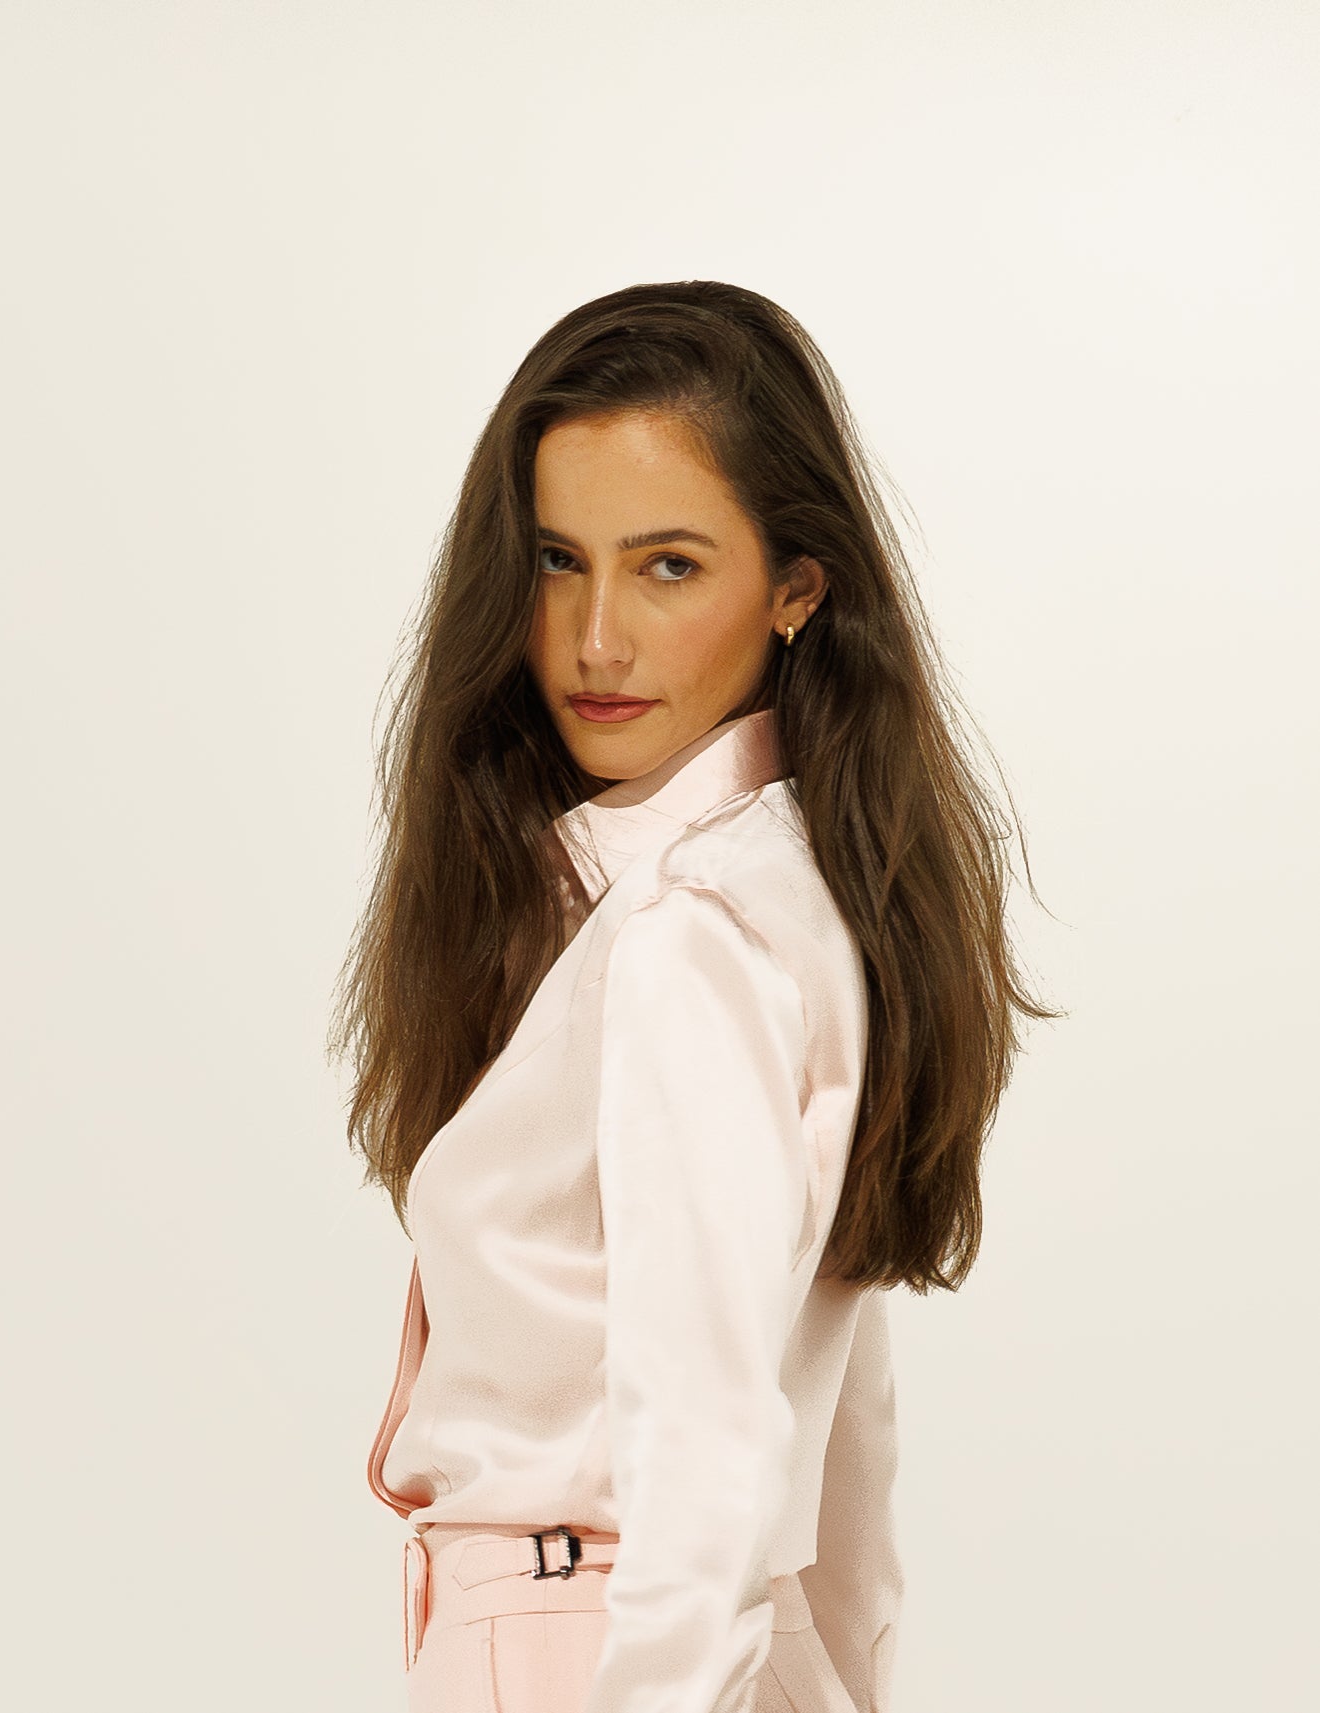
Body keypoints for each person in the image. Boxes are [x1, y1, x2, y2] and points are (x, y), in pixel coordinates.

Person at [329, 280, 1057, 1713]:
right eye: (554, 559)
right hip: (731, 1654)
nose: (595, 638)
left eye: (667, 565)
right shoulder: (791, 899)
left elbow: (715, 1445)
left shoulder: (681, 941)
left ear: (797, 584)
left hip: (585, 1652)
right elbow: (842, 1427)